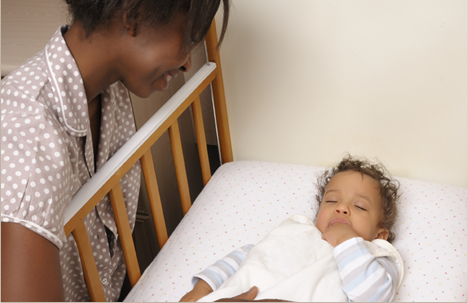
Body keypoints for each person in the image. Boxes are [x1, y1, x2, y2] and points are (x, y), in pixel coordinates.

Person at [1, 0, 230, 301]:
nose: (188, 62)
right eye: (186, 38)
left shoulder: (112, 91)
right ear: (133, 17)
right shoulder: (29, 138)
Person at [181, 155, 403, 302]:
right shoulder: (297, 231)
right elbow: (249, 256)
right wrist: (203, 288)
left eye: (359, 206)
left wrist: (347, 242)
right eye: (332, 201)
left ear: (379, 235)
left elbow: (373, 296)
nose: (342, 208)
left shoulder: (376, 256)